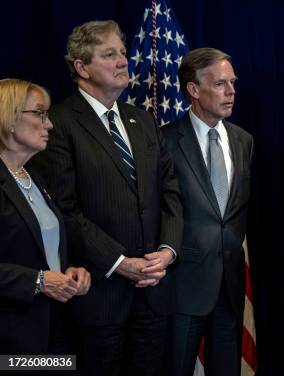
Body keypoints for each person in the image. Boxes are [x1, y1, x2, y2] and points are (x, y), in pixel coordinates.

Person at [29, 20, 183, 375]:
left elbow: (170, 192)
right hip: (100, 297)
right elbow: (63, 209)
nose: (123, 61)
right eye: (109, 54)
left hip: (154, 291)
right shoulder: (59, 123)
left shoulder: (142, 119)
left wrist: (167, 252)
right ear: (81, 67)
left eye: (124, 53)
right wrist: (120, 262)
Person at [162, 48, 253, 376]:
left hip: (229, 285)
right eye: (220, 84)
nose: (231, 92)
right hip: (183, 286)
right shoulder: (165, 141)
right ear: (193, 90)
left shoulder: (244, 141)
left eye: (233, 83)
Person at [0, 78, 90, 355]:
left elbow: (41, 245)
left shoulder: (34, 176)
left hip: (55, 327)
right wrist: (38, 281)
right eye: (40, 113)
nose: (49, 124)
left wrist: (69, 270)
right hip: (11, 338)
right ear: (9, 119)